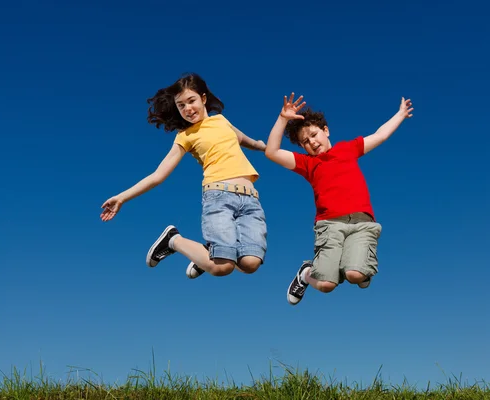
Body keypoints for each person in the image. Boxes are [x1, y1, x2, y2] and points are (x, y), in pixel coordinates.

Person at [101, 73, 268, 279]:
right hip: (219, 198)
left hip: (251, 199)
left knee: (250, 263)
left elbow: (245, 140)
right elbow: (158, 175)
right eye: (181, 106)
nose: (188, 109)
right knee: (222, 267)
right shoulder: (185, 136)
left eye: (191, 101)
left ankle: (204, 255)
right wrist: (122, 197)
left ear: (203, 99)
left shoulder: (221, 121)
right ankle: (174, 240)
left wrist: (264, 147)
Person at [264, 93, 414, 305]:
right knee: (326, 285)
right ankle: (306, 273)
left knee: (354, 275)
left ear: (326, 131)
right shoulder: (307, 164)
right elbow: (271, 151)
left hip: (362, 223)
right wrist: (283, 118)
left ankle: (360, 268)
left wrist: (400, 114)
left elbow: (379, 135)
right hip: (329, 226)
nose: (312, 142)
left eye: (314, 135)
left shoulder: (348, 149)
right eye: (305, 142)